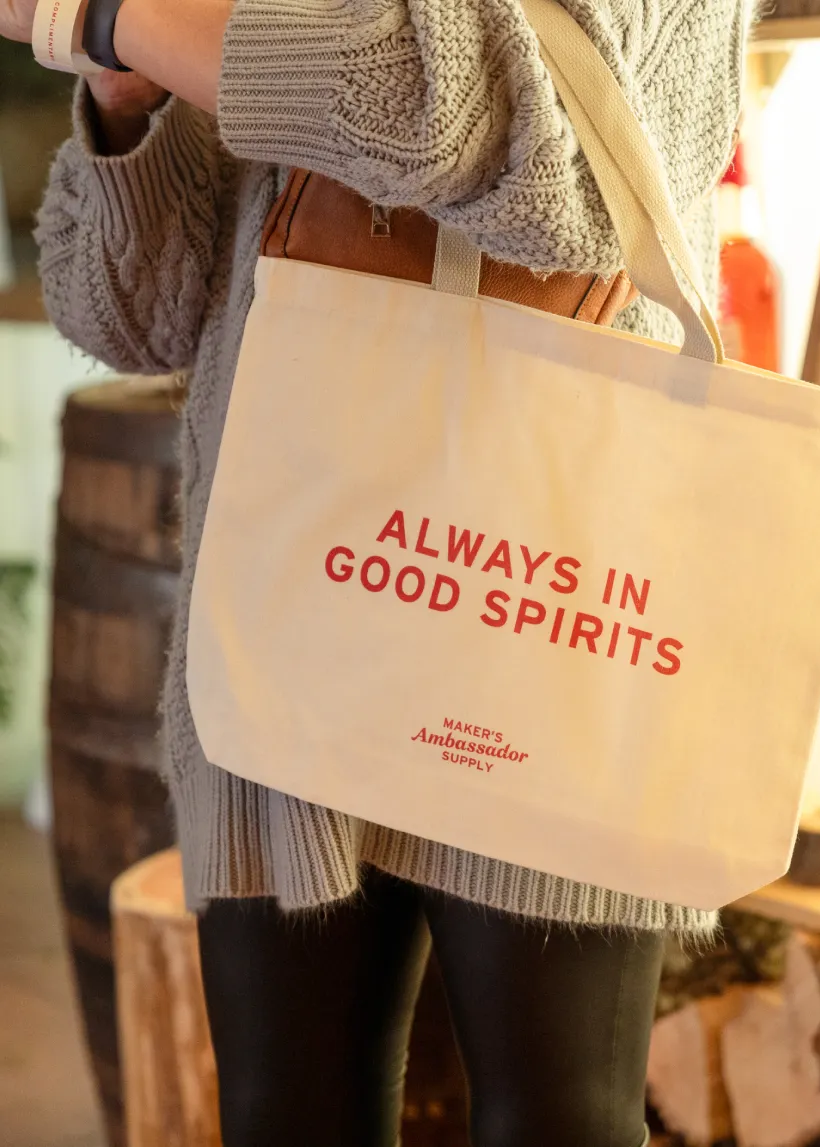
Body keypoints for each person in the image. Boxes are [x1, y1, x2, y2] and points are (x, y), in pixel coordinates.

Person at [0, 0, 750, 1143]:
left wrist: (109, 16)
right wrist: (123, 94)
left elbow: (464, 118)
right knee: (284, 1114)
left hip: (548, 592)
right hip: (291, 579)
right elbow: (131, 316)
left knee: (560, 1117)